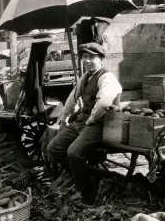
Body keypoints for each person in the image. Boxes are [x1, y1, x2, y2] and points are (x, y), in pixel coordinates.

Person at [47, 42, 122, 205]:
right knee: (53, 148)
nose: (87, 61)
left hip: (101, 122)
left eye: (92, 57)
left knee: (74, 153)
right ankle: (84, 176)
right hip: (83, 120)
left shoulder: (107, 78)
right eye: (85, 57)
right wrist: (64, 118)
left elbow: (103, 104)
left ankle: (87, 193)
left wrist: (90, 120)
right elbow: (72, 98)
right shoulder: (86, 77)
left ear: (101, 59)